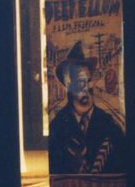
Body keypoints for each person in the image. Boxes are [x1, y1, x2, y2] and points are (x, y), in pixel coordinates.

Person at [48, 41, 125, 174]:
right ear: (68, 84)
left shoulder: (110, 126)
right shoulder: (57, 127)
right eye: (80, 82)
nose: (87, 88)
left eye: (88, 81)